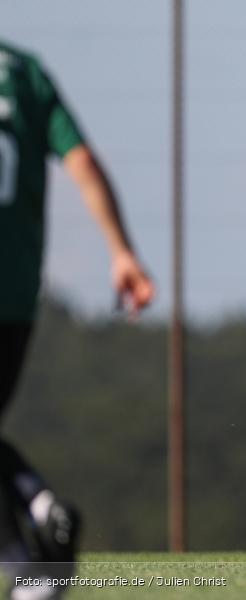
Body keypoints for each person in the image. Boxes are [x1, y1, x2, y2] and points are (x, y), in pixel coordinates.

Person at [0, 40, 154, 598]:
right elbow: (82, 161)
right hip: (15, 288)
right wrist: (121, 251)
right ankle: (43, 509)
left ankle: (25, 567)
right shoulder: (24, 71)